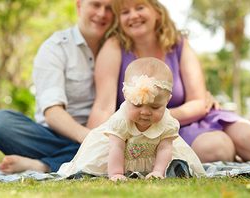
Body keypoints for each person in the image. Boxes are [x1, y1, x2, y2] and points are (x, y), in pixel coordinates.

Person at [87, 0, 250, 163]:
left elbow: (198, 103)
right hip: (149, 129)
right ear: (120, 20)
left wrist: (158, 115)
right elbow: (103, 107)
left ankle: (239, 152)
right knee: (218, 149)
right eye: (125, 12)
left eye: (140, 7)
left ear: (157, 12)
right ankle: (234, 156)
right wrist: (91, 143)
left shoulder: (178, 44)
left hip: (192, 117)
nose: (133, 15)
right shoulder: (114, 47)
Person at [0, 0, 114, 174]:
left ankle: (44, 165)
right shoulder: (55, 48)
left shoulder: (119, 48)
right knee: (1, 123)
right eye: (95, 5)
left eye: (109, 8)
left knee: (128, 141)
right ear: (79, 6)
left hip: (103, 134)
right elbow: (53, 114)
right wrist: (93, 141)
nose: (102, 14)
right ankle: (91, 157)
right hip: (52, 137)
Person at [58, 57, 206, 181]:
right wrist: (116, 173)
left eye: (155, 107)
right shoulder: (121, 120)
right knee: (91, 168)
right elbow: (116, 147)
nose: (145, 112)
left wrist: (158, 172)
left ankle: (154, 170)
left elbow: (165, 148)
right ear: (126, 96)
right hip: (116, 157)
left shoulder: (167, 123)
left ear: (167, 101)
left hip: (155, 159)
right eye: (137, 104)